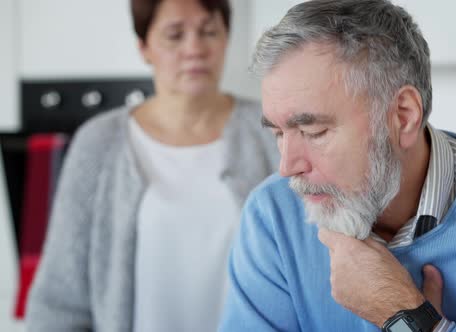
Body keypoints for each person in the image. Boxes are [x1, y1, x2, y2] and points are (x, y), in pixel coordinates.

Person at [218, 0, 456, 331]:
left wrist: (404, 315)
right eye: (279, 133)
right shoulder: (271, 216)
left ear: (403, 115)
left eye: (313, 131)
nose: (287, 167)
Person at [26, 0, 278, 331]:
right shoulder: (98, 142)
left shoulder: (273, 131)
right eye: (175, 35)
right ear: (144, 47)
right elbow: (59, 301)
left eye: (209, 32)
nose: (195, 49)